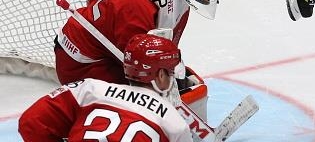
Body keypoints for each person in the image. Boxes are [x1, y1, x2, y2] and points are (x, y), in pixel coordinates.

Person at [54, 0, 217, 118]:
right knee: (141, 104)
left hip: (105, 52)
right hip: (80, 62)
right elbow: (140, 66)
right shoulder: (139, 7)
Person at [19, 33, 193, 141]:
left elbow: (30, 122)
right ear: (160, 75)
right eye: (170, 72)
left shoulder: (89, 89)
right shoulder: (176, 124)